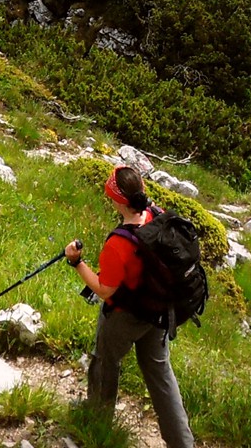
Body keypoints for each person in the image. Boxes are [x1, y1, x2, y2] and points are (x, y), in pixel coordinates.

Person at [64, 167, 196, 448]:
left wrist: (76, 262)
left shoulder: (118, 244)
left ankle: (99, 425)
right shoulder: (155, 215)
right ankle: (182, 443)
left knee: (105, 362)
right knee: (161, 374)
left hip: (125, 316)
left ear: (116, 200)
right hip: (160, 312)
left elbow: (104, 290)